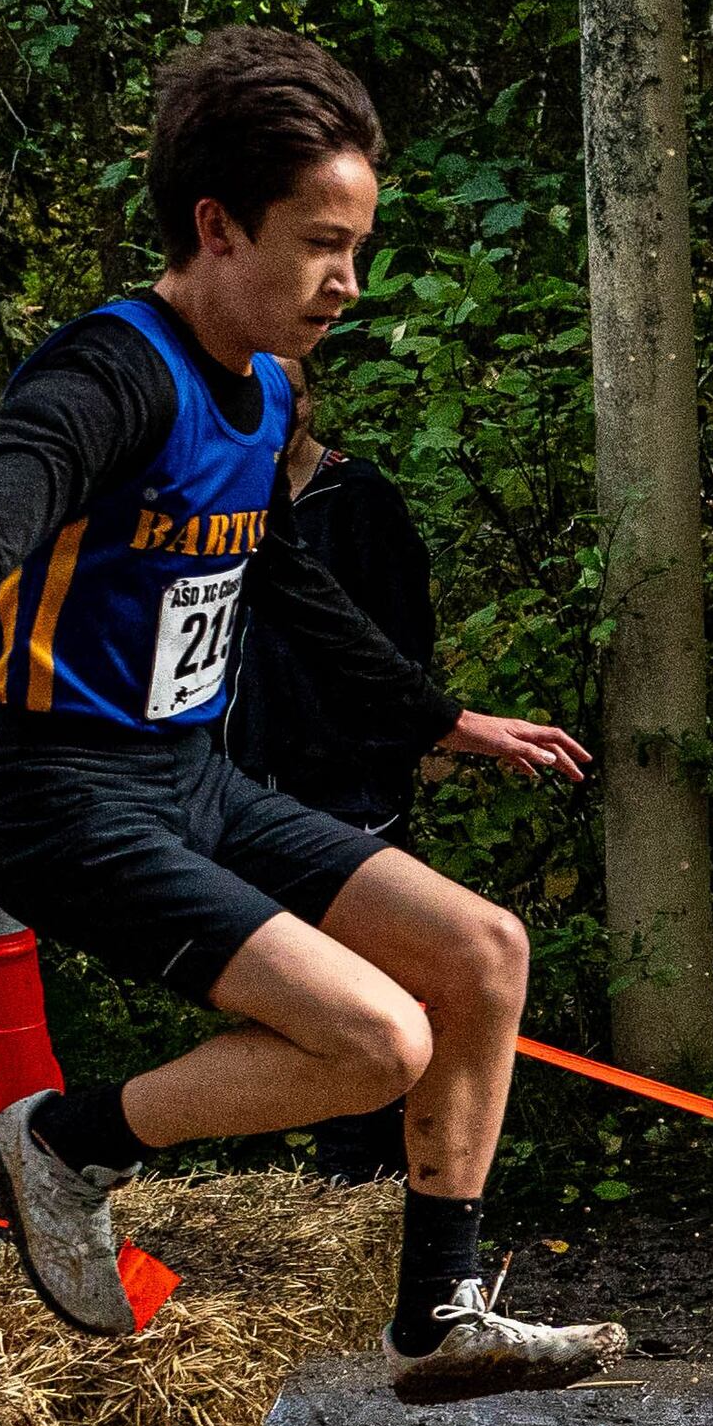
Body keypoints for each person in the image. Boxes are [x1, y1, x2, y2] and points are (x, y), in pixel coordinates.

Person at [0, 27, 615, 1399]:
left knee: (482, 951)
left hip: (188, 774)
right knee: (378, 1042)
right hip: (56, 795)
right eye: (321, 245)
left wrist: (437, 718)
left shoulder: (271, 387)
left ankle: (439, 1312)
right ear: (216, 226)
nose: (347, 282)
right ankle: (66, 1141)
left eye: (361, 246)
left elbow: (275, 571)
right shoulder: (105, 379)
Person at [225, 368, 437, 1183]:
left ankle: (366, 1170)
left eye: (296, 399)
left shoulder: (360, 499)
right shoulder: (222, 503)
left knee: (369, 984)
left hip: (350, 792)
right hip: (247, 782)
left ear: (309, 402)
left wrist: (380, 759)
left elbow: (401, 646)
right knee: (284, 981)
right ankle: (293, 1151)